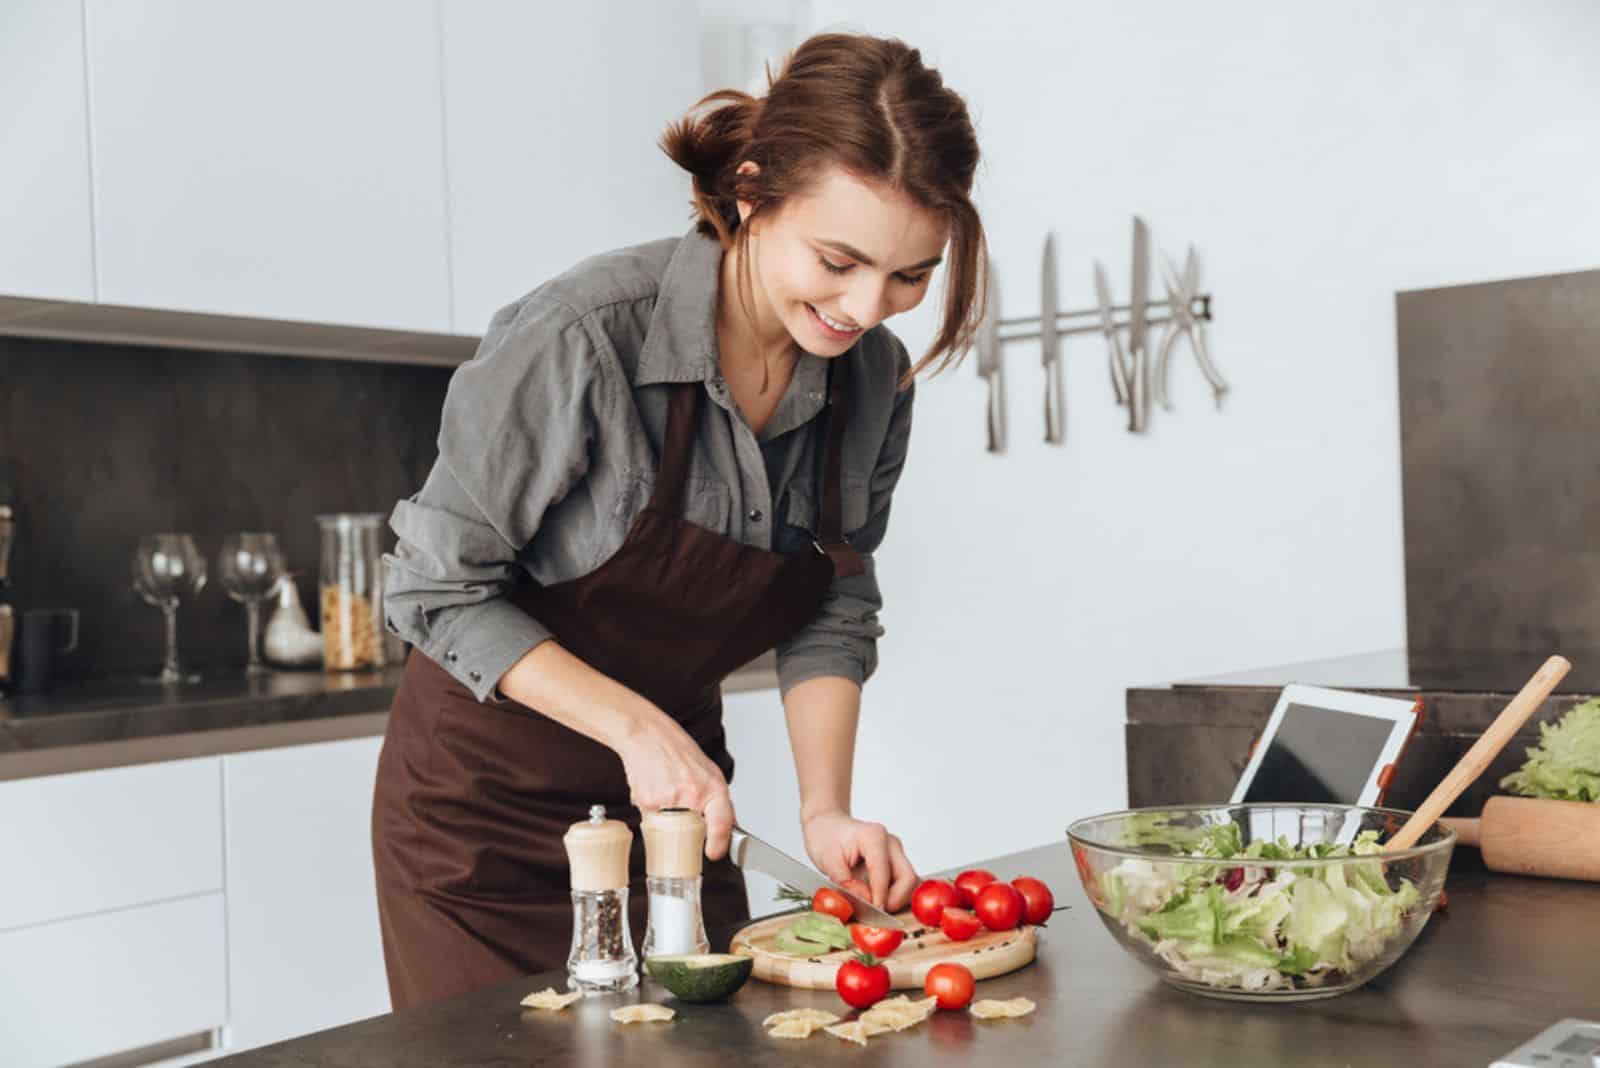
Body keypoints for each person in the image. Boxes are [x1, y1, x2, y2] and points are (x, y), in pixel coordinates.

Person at [371, 30, 987, 1009]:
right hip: (482, 823)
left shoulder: (868, 381)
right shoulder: (582, 335)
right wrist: (635, 727)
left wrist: (825, 810)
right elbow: (433, 589)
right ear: (750, 192)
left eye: (910, 275)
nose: (868, 307)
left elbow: (833, 598)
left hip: (676, 811)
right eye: (838, 260)